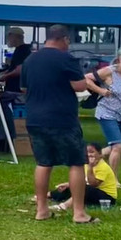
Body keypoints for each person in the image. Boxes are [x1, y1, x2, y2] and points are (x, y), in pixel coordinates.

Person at [22, 25, 97, 224]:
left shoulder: (30, 59)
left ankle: (41, 210)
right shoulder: (66, 58)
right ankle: (79, 213)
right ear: (64, 39)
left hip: (35, 119)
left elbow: (23, 86)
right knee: (75, 162)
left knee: (43, 163)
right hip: (62, 118)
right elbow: (80, 85)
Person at [85, 47, 121, 183]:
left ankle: (90, 161)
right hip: (107, 112)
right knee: (118, 146)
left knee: (116, 147)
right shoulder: (110, 72)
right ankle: (113, 179)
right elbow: (86, 79)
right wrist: (100, 90)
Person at [49, 143, 117, 211]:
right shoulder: (85, 165)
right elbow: (83, 180)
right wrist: (69, 185)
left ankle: (64, 206)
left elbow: (93, 184)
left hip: (107, 198)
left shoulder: (103, 166)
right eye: (87, 152)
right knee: (69, 188)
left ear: (100, 154)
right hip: (92, 192)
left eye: (92, 152)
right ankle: (43, 197)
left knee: (83, 188)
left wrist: (90, 167)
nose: (89, 154)